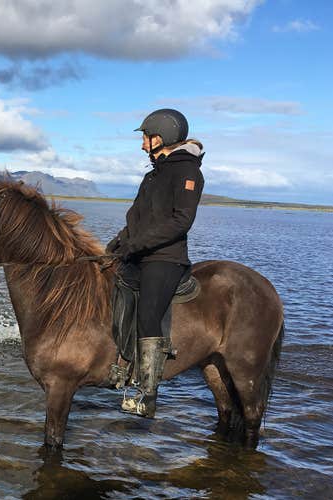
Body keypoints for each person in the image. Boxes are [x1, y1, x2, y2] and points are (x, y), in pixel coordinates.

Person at [106, 108, 204, 418]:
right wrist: (120, 240)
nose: (142, 145)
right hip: (139, 252)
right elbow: (137, 217)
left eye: (145, 138)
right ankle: (121, 368)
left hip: (165, 258)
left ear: (160, 137)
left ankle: (147, 394)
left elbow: (181, 221)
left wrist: (137, 244)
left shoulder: (188, 173)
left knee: (149, 312)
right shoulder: (152, 175)